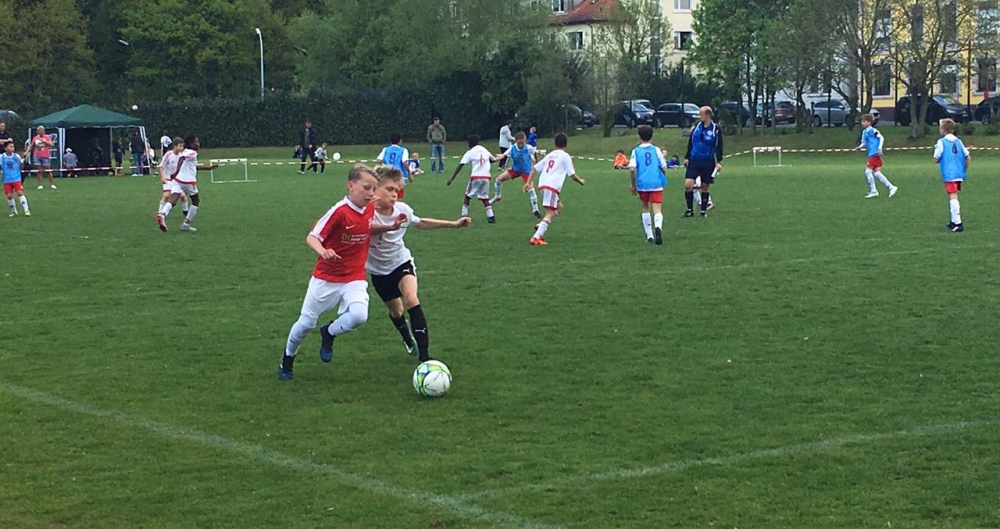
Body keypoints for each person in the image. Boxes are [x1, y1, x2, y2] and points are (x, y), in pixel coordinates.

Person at [278, 164, 407, 381]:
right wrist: (323, 251)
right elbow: (312, 237)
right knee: (306, 324)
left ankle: (329, 332)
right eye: (366, 187)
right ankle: (288, 358)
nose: (371, 193)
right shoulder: (339, 212)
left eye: (374, 188)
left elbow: (367, 228)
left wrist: (390, 227)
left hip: (354, 276)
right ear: (350, 185)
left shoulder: (369, 208)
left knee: (359, 316)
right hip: (326, 277)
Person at [368, 166, 471, 362]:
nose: (394, 194)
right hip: (379, 271)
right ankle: (407, 338)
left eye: (396, 190)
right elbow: (364, 229)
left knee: (411, 298)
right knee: (396, 312)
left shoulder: (403, 210)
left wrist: (453, 224)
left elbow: (420, 222)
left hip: (401, 263)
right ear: (374, 189)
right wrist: (389, 226)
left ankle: (425, 358)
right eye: (389, 189)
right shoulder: (365, 213)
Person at [527, 133, 585, 245]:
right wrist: (580, 181)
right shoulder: (565, 156)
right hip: (551, 186)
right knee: (551, 212)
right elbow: (572, 174)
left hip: (542, 185)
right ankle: (536, 237)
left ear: (555, 144)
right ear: (566, 144)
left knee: (559, 207)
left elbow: (535, 168)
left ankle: (541, 226)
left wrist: (528, 182)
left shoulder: (550, 155)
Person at [158, 135, 217, 233]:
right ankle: (186, 224)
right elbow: (181, 159)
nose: (198, 144)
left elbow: (192, 166)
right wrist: (176, 171)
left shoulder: (185, 151)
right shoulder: (192, 152)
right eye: (196, 142)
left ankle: (162, 214)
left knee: (173, 199)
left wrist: (208, 168)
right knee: (196, 201)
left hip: (177, 180)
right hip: (187, 181)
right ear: (191, 144)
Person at [629, 125, 667, 245]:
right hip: (656, 182)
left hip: (643, 183)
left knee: (645, 207)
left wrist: (633, 184)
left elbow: (632, 169)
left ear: (639, 136)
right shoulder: (656, 150)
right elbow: (664, 166)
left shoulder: (636, 151)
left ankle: (649, 235)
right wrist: (662, 177)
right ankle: (658, 227)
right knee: (657, 209)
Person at [683, 106, 723, 217]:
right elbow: (691, 143)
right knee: (688, 185)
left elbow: (719, 146)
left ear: (708, 115)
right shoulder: (696, 127)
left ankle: (703, 211)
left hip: (707, 161)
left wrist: (719, 161)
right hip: (694, 160)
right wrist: (687, 157)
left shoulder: (715, 129)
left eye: (701, 114)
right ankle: (689, 210)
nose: (699, 117)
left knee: (705, 186)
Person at [447, 135, 496, 223]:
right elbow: (493, 159)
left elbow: (461, 165)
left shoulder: (470, 152)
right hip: (486, 177)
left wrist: (452, 178)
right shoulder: (484, 149)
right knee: (484, 197)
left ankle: (464, 216)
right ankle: (491, 217)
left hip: (476, 177)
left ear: (470, 143)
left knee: (468, 196)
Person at [490, 131, 540, 218]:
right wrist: (494, 159)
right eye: (520, 142)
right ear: (516, 141)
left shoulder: (529, 148)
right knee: (498, 180)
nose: (521, 144)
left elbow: (534, 153)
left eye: (523, 142)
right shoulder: (512, 148)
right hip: (515, 170)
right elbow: (503, 156)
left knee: (531, 190)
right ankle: (497, 196)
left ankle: (535, 210)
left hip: (526, 172)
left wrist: (536, 162)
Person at [933, 118, 970, 233]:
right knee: (954, 194)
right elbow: (968, 157)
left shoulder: (942, 142)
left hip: (949, 173)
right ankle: (953, 221)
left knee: (953, 196)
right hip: (959, 173)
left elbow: (936, 158)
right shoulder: (958, 141)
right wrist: (964, 170)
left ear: (943, 130)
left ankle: (958, 223)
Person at [853, 114, 898, 199]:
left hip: (874, 153)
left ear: (869, 122)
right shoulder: (864, 132)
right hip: (872, 153)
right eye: (862, 121)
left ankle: (874, 191)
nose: (862, 123)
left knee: (868, 171)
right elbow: (864, 142)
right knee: (877, 173)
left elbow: (881, 138)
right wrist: (859, 147)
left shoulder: (873, 130)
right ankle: (891, 187)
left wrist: (879, 148)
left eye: (864, 121)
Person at [157, 137, 188, 230]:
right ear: (175, 146)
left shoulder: (182, 155)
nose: (182, 148)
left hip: (177, 180)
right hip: (168, 178)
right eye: (180, 146)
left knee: (183, 196)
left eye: (182, 146)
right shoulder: (169, 154)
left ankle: (186, 212)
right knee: (166, 195)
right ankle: (160, 213)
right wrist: (162, 177)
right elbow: (161, 166)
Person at [377, 133, 411, 198]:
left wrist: (382, 168)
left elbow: (379, 160)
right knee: (398, 196)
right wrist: (409, 173)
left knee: (388, 194)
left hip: (387, 174)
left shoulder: (386, 149)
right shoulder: (403, 150)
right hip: (399, 175)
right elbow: (404, 162)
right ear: (400, 141)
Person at [2, 142, 30, 217]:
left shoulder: (16, 156)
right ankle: (14, 211)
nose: (12, 148)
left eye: (13, 147)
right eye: (10, 146)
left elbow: (21, 165)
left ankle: (26, 210)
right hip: (7, 179)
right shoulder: (2, 157)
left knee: (19, 193)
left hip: (16, 178)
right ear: (6, 148)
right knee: (9, 196)